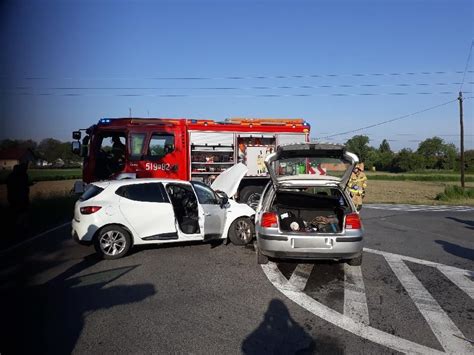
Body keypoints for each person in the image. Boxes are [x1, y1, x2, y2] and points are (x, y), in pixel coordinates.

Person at [6, 163, 31, 239]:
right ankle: (21, 227)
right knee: (23, 212)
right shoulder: (23, 176)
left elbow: (9, 186)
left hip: (12, 197)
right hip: (22, 197)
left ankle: (15, 227)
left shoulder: (10, 176)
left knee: (15, 212)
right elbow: (25, 186)